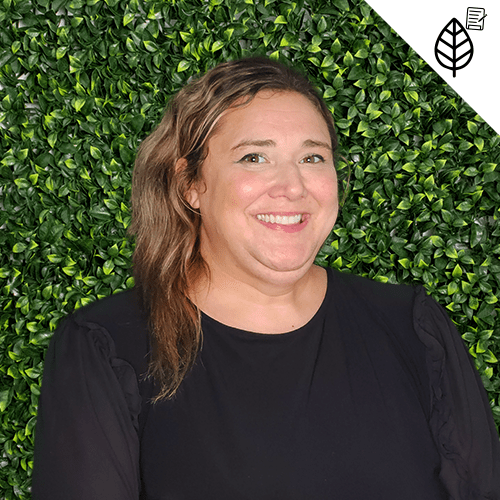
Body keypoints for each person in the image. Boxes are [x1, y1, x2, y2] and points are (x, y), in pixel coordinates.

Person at [32, 57, 500, 499]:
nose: (293, 187)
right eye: (254, 157)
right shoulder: (107, 347)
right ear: (190, 184)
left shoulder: (412, 326)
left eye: (313, 158)